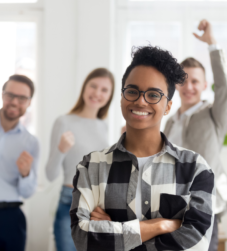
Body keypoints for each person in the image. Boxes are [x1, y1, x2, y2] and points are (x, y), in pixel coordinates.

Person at [70, 46, 216, 251]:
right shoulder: (91, 166)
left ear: (167, 106)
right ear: (121, 97)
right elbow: (83, 239)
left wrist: (114, 233)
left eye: (154, 95)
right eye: (132, 91)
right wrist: (160, 225)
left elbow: (197, 244)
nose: (140, 101)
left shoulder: (196, 169)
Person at [163, 19, 227, 251]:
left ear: (204, 85)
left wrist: (212, 43)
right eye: (183, 80)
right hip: (173, 206)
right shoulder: (170, 121)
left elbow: (225, 87)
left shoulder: (214, 115)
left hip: (205, 207)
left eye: (195, 81)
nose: (189, 86)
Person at [45, 68, 114, 251]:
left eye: (104, 90)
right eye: (93, 86)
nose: (97, 93)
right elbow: (50, 175)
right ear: (85, 87)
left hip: (98, 208)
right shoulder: (64, 121)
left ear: (109, 96)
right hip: (71, 202)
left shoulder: (104, 127)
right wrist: (61, 150)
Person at [0, 75, 39, 251]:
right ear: (2, 95)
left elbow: (28, 192)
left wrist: (25, 174)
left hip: (10, 217)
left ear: (29, 102)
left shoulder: (31, 143)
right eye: (10, 95)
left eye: (22, 98)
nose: (15, 102)